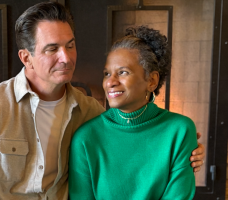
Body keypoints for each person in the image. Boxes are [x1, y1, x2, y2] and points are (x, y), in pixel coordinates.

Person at [0, 2, 205, 200]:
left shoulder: (88, 112)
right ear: (26, 58)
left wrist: (187, 149)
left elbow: (129, 136)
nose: (66, 57)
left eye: (70, 45)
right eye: (52, 49)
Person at [69, 26, 198, 199]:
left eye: (122, 72)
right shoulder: (85, 138)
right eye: (107, 74)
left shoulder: (180, 130)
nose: (110, 82)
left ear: (151, 81)